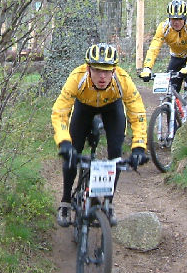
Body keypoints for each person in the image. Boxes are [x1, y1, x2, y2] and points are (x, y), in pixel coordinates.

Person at [52, 43, 149, 227]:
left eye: (107, 71)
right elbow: (60, 112)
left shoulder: (122, 79)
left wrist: (139, 146)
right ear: (88, 68)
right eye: (97, 70)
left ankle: (108, 202)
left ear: (114, 70)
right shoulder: (77, 78)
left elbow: (137, 113)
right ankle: (65, 201)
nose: (102, 76)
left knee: (116, 153)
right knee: (72, 152)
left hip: (112, 108)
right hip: (84, 107)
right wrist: (64, 142)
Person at [139, 0, 187, 107]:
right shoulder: (164, 27)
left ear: (185, 18)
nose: (176, 22)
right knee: (172, 86)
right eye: (173, 19)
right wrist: (147, 68)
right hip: (176, 56)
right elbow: (154, 47)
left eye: (179, 19)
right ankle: (173, 115)